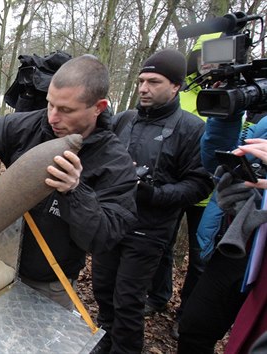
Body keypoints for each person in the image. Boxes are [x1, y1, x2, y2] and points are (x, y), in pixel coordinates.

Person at [0, 55, 138, 310]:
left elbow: (104, 238)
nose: (52, 117)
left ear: (99, 107)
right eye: (51, 104)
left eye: (66, 110)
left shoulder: (114, 161)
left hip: (49, 285)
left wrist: (75, 191)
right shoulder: (29, 125)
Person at [91, 48, 213, 353]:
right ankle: (104, 342)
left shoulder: (193, 129)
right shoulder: (124, 119)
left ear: (175, 86)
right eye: (141, 81)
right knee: (103, 291)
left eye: (154, 82)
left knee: (128, 301)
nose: (144, 88)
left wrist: (153, 193)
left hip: (149, 230)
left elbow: (199, 185)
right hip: (110, 223)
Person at [144, 33, 221, 338]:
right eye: (204, 56)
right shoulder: (183, 90)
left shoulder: (236, 95)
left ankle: (187, 312)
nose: (209, 63)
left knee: (201, 255)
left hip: (211, 192)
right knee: (163, 246)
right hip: (170, 186)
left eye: (216, 57)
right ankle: (158, 296)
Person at [178, 117, 267, 353]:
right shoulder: (265, 123)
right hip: (241, 241)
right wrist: (225, 117)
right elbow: (217, 160)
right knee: (194, 325)